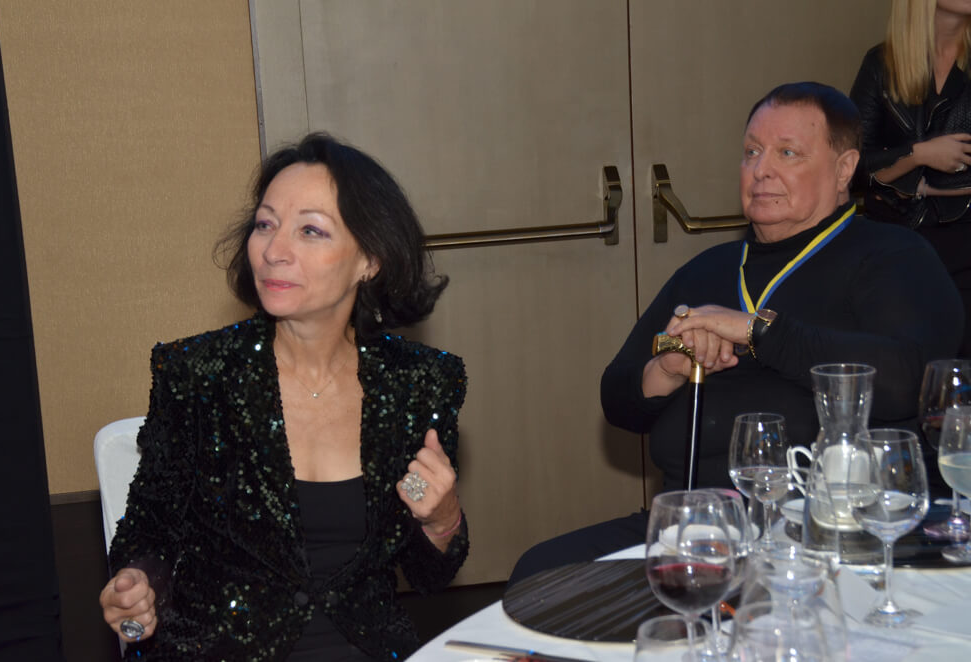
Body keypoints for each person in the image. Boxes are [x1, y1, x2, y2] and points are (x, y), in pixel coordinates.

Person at [509, 82, 962, 585]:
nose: (761, 169)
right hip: (696, 527)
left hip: (833, 533)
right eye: (751, 152)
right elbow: (617, 399)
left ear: (843, 169)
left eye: (787, 153)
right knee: (540, 574)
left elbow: (907, 378)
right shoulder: (708, 269)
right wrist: (667, 369)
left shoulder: (893, 255)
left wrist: (757, 331)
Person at [99, 133, 468, 661]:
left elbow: (430, 576)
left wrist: (442, 519)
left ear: (370, 259)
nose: (273, 251)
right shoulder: (197, 374)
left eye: (310, 230)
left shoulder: (418, 382)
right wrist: (138, 584)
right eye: (265, 225)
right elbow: (150, 530)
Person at [850, 0, 971, 357]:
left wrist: (910, 180)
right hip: (895, 249)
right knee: (902, 372)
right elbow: (851, 165)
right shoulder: (880, 64)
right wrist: (919, 155)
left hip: (965, 248)